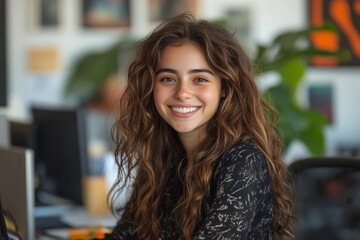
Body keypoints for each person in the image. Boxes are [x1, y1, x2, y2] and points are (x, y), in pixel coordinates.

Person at [107, 12, 293, 240]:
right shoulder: (162, 155)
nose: (182, 93)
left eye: (200, 79)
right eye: (168, 78)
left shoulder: (244, 161)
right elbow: (123, 235)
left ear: (225, 87)